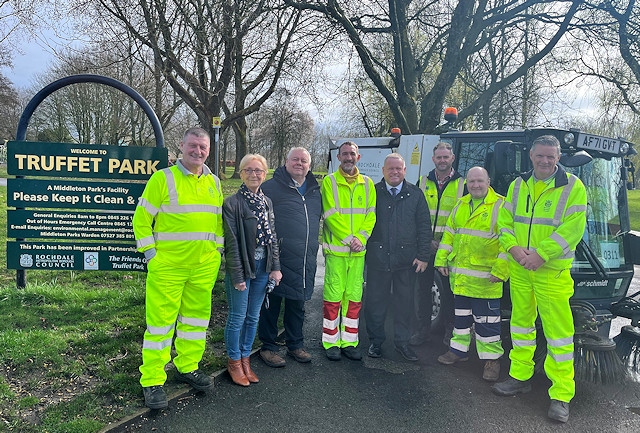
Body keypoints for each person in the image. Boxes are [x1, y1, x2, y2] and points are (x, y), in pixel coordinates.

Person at [493, 135, 587, 423]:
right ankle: (520, 376)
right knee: (521, 326)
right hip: (521, 268)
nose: (545, 161)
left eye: (551, 156)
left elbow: (573, 228)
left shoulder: (573, 187)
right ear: (531, 156)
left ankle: (561, 395)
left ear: (558, 158)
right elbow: (505, 221)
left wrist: (541, 255)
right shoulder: (518, 185)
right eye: (540, 156)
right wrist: (513, 248)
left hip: (551, 272)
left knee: (559, 336)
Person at [133, 127, 224, 409]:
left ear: (208, 150)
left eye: (203, 147)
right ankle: (152, 381)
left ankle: (188, 366)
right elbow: (141, 219)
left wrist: (217, 252)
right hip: (168, 267)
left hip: (203, 267)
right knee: (160, 324)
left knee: (196, 321)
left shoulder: (215, 182)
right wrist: (151, 255)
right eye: (193, 145)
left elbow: (218, 222)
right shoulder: (163, 178)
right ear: (182, 146)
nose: (198, 151)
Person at [434, 167, 508, 381]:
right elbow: (449, 235)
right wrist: (440, 260)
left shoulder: (501, 205)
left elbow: (509, 243)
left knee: (488, 325)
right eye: (472, 181)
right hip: (462, 279)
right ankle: (458, 352)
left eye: (479, 181)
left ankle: (491, 362)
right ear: (466, 182)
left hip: (487, 279)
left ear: (488, 181)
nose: (475, 185)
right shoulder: (461, 204)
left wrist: (501, 270)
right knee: (461, 321)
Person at [364, 153, 432, 362]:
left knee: (405, 304)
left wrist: (423, 256)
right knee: (375, 303)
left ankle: (402, 343)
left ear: (404, 171)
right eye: (390, 168)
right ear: (383, 171)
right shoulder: (373, 193)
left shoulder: (416, 194)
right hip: (378, 259)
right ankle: (376, 342)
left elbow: (423, 226)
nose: (394, 172)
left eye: (398, 168)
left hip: (406, 261)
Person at [258, 147, 322, 367]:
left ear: (309, 165)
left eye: (304, 161)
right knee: (271, 303)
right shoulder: (271, 188)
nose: (299, 163)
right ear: (286, 162)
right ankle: (268, 346)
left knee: (298, 302)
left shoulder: (315, 191)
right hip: (278, 257)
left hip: (305, 258)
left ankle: (295, 344)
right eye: (295, 159)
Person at [223, 154, 282, 386]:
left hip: (263, 267)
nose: (253, 174)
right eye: (248, 170)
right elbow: (232, 242)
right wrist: (238, 276)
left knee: (253, 316)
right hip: (243, 268)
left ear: (265, 173)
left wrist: (276, 267)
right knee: (237, 317)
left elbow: (273, 237)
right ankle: (234, 362)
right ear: (241, 173)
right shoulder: (232, 203)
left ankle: (246, 359)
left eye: (258, 170)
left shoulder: (267, 202)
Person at [321, 141, 376, 361]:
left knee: (354, 298)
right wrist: (350, 239)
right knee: (333, 298)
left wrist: (361, 238)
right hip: (337, 252)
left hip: (358, 253)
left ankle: (350, 341)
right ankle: (331, 342)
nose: (348, 158)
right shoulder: (330, 182)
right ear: (338, 157)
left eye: (352, 154)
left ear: (358, 157)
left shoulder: (368, 183)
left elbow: (371, 214)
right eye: (344, 154)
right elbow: (330, 214)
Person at [411, 142, 466, 346]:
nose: (442, 160)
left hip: (451, 249)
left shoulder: (464, 184)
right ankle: (423, 330)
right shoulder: (423, 182)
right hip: (425, 247)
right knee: (423, 291)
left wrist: (443, 244)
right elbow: (415, 215)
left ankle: (449, 331)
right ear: (433, 159)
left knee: (451, 293)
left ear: (452, 158)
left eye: (446, 157)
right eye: (439, 157)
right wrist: (427, 242)